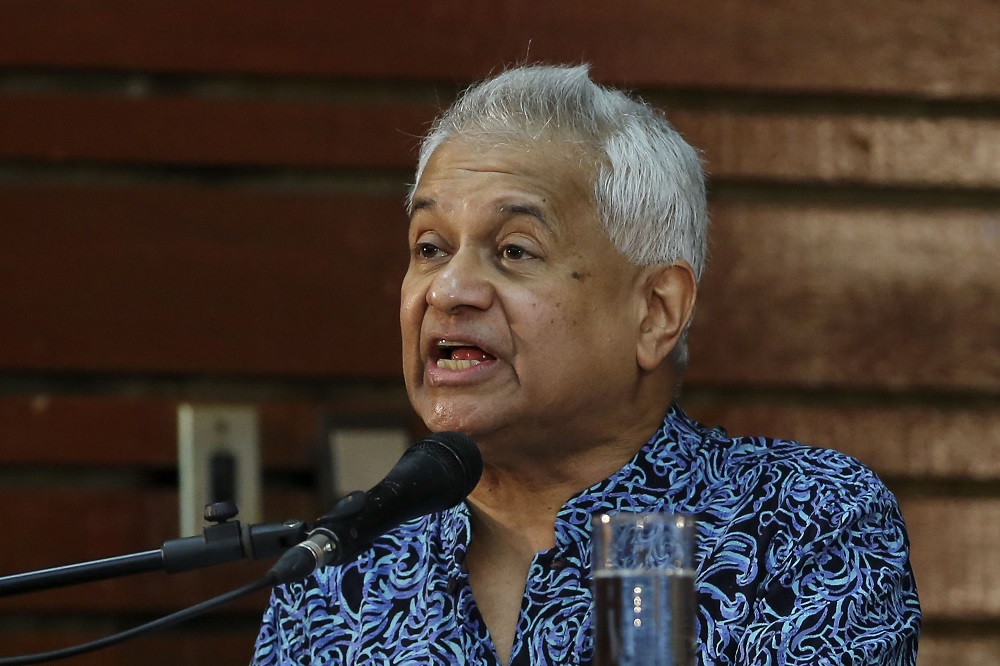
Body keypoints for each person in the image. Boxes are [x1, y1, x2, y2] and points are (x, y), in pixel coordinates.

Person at [252, 64, 920, 665]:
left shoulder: (803, 521)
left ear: (656, 311)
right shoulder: (344, 563)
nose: (449, 290)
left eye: (514, 250)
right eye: (429, 247)